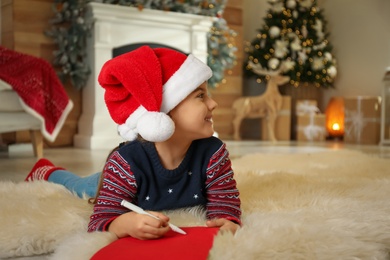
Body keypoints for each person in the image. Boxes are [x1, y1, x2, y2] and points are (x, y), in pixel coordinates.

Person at [25, 46, 241, 240]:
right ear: (164, 112)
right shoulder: (125, 164)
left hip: (136, 180)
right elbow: (99, 221)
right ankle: (47, 171)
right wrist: (124, 224)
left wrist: (227, 221)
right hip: (113, 181)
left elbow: (225, 202)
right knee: (79, 186)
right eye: (200, 96)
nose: (214, 103)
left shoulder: (214, 152)